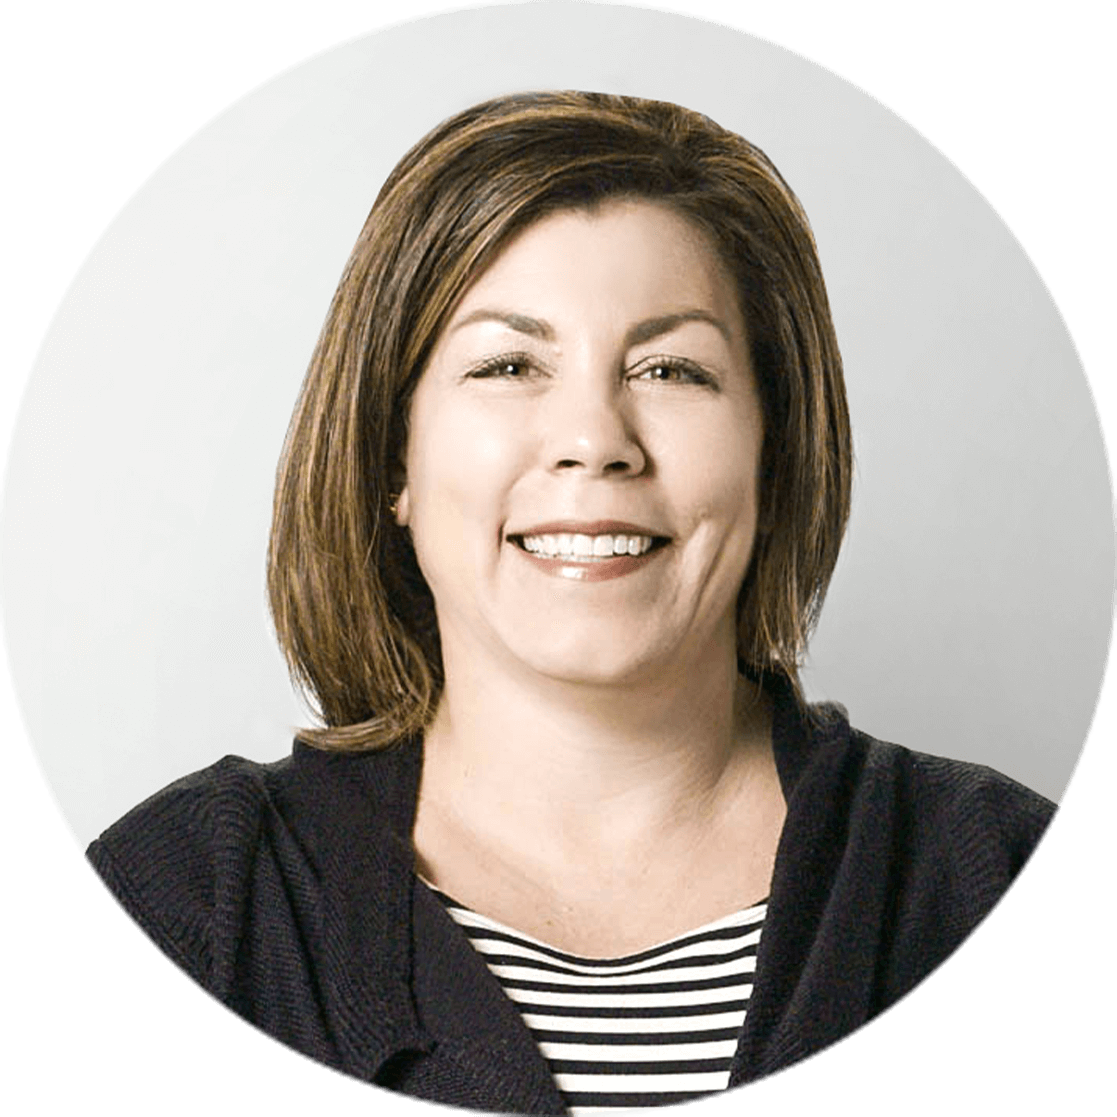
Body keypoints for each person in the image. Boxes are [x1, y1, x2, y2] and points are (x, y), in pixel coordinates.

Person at [84, 91, 1057, 1113]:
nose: (594, 437)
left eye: (672, 368)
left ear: (775, 455)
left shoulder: (989, 872)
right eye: (509, 364)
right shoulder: (190, 901)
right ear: (392, 458)